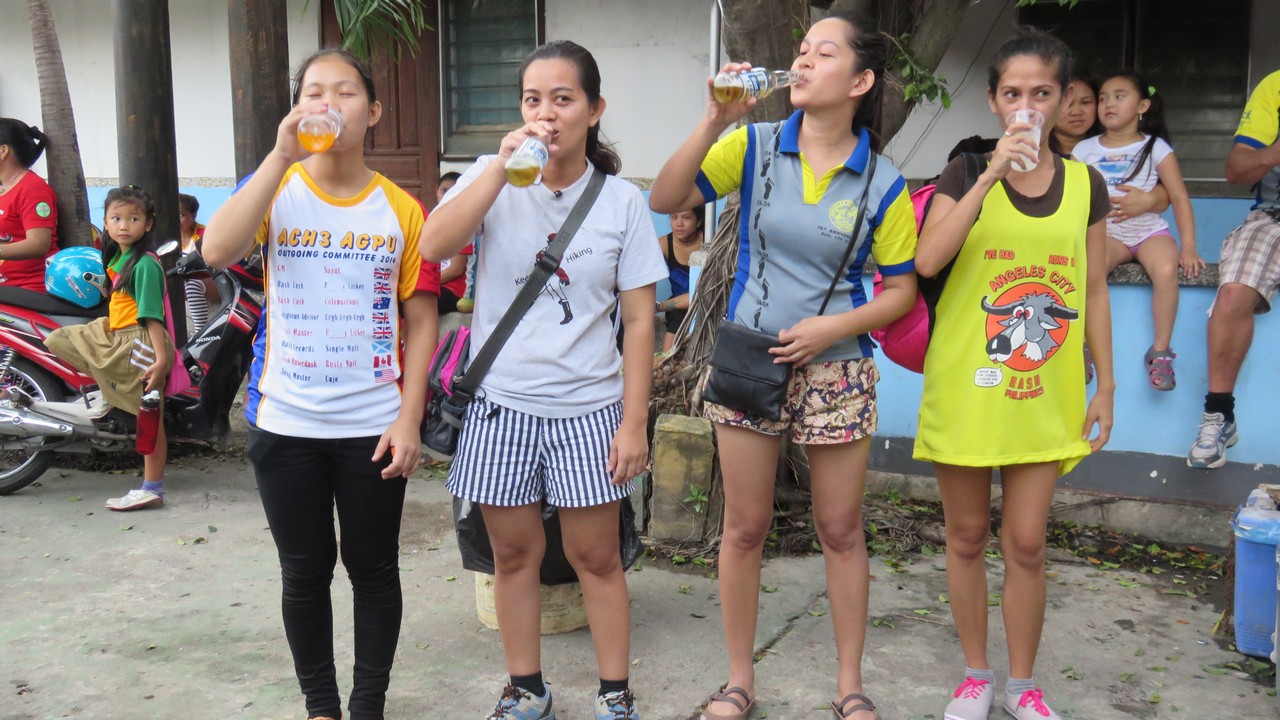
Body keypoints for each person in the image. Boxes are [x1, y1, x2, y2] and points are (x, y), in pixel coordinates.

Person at [651, 14, 919, 720]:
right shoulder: (753, 145)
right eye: (800, 50)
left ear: (859, 81)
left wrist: (834, 327)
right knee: (745, 527)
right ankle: (739, 680)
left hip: (839, 372)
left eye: (822, 53)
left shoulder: (883, 182)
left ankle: (849, 684)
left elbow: (901, 291)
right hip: (751, 360)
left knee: (841, 530)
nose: (802, 62)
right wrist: (714, 119)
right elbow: (666, 199)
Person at [423, 40, 665, 720]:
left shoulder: (621, 202)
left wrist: (634, 422)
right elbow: (435, 247)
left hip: (589, 408)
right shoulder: (491, 176)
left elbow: (639, 323)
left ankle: (615, 694)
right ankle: (527, 689)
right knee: (512, 555)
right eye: (534, 99)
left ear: (594, 109)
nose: (547, 113)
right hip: (501, 406)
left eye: (563, 98)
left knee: (597, 558)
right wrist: (498, 173)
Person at [200, 48, 438, 720]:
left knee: (374, 569)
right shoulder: (275, 187)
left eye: (345, 92)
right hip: (286, 422)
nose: (328, 104)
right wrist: (280, 156)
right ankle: (321, 708)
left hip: (373, 426)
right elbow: (215, 250)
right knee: (304, 572)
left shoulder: (402, 210)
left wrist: (409, 418)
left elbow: (422, 320)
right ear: (298, 107)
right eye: (313, 92)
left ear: (374, 111)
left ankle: (367, 707)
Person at [913, 29, 1114, 720]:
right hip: (967, 388)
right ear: (995, 101)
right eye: (1012, 93)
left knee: (1027, 542)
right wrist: (990, 175)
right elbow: (928, 260)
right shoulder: (965, 171)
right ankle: (976, 676)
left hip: (1045, 391)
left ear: (1063, 99)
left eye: (1042, 92)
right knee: (967, 536)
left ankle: (1025, 686)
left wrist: (1106, 385)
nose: (1027, 105)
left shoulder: (1086, 184)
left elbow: (1093, 288)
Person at [1072, 71, 1203, 390]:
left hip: (1148, 232)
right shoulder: (1084, 150)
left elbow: (1179, 197)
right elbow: (1072, 199)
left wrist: (1188, 247)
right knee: (1089, 270)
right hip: (1107, 233)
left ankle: (1160, 351)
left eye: (1119, 97)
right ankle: (1082, 345)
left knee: (1166, 269)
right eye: (1103, 98)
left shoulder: (1156, 147)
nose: (1108, 104)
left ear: (1143, 106)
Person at [45, 186, 172, 511]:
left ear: (148, 224)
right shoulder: (119, 257)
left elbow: (152, 316)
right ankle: (110, 389)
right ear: (105, 222)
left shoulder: (144, 264)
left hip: (141, 342)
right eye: (116, 218)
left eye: (133, 219)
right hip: (118, 333)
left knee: (149, 419)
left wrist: (160, 360)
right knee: (60, 338)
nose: (124, 225)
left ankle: (152, 488)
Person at [1187, 68, 1280, 469]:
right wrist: (1275, 151)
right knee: (1232, 292)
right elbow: (1236, 170)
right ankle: (1219, 414)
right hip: (1273, 217)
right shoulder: (1276, 86)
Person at [0, 118, 60, 292]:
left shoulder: (32, 188)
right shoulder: (4, 187)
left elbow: (38, 244)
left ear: (3, 151)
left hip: (26, 290)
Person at [655, 204, 704, 351]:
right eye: (674, 217)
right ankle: (666, 359)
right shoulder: (663, 244)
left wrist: (659, 306)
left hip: (705, 301)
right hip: (677, 307)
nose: (679, 224)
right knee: (677, 316)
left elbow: (701, 295)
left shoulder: (710, 242)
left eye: (686, 218)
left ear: (699, 221)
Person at [434, 171, 474, 315]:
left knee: (417, 299)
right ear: (436, 191)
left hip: (454, 293)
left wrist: (427, 282)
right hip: (437, 285)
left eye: (453, 191)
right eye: (444, 191)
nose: (447, 196)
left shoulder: (463, 225)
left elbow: (455, 269)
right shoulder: (432, 222)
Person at [177, 193, 216, 333]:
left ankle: (201, 332)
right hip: (183, 283)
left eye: (181, 215)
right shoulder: (166, 238)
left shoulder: (205, 235)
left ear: (193, 216)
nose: (176, 220)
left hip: (212, 279)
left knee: (192, 283)